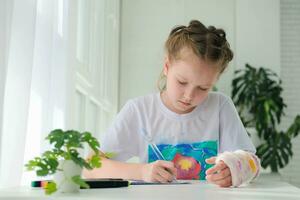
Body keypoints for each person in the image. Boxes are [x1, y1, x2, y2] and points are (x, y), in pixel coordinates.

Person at [83, 20, 260, 187]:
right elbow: (90, 166)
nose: (189, 96)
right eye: (182, 82)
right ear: (167, 67)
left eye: (203, 88)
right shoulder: (139, 110)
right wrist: (142, 171)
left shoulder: (220, 106)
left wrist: (234, 170)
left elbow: (252, 162)